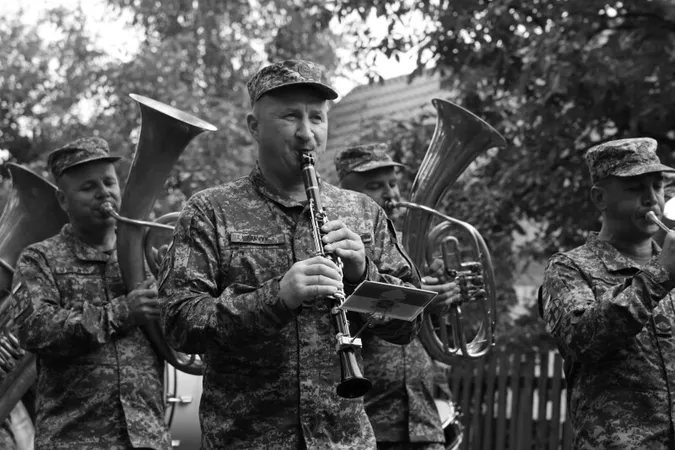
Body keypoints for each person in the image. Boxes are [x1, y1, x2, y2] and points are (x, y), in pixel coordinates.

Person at [158, 59, 423, 450]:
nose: (306, 133)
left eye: (317, 117)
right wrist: (275, 298)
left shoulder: (363, 211)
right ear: (254, 127)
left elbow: (408, 323)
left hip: (344, 441)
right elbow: (179, 324)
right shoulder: (210, 210)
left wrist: (362, 276)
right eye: (290, 117)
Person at [11, 137, 171, 450]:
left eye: (109, 182)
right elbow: (34, 330)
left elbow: (179, 338)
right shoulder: (39, 258)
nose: (104, 193)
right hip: (74, 439)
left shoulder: (147, 253)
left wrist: (172, 290)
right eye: (87, 187)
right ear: (63, 200)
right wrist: (122, 311)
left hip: (147, 438)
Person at [540, 137, 675, 449]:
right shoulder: (568, 268)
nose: (652, 199)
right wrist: (661, 275)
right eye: (635, 188)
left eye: (658, 186)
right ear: (600, 198)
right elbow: (583, 339)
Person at [335, 143, 460, 450]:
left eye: (393, 183)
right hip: (366, 419)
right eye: (375, 186)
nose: (391, 194)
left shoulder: (411, 248)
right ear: (345, 192)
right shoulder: (335, 242)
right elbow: (350, 308)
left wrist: (444, 303)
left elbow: (439, 340)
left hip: (425, 418)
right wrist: (419, 298)